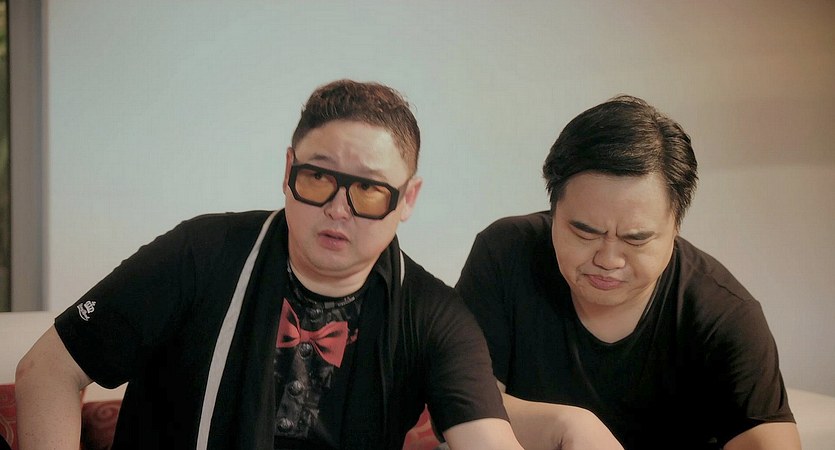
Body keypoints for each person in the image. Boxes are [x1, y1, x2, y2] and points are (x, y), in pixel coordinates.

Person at [15, 80, 525, 450]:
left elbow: (486, 436)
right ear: (288, 170)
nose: (338, 208)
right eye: (318, 178)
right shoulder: (201, 252)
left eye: (369, 190)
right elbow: (48, 370)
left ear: (407, 198)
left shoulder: (434, 315)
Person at [456, 95, 801, 450]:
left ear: (675, 227)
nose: (608, 259)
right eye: (585, 232)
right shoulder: (506, 255)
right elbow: (458, 406)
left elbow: (771, 441)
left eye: (636, 239)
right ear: (554, 210)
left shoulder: (722, 314)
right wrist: (567, 426)